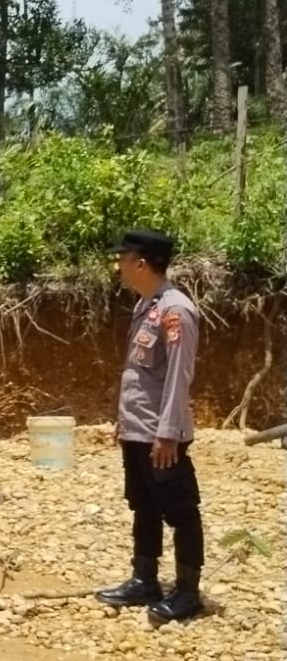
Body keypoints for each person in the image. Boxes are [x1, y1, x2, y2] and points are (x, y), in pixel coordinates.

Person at [95, 229, 204, 623]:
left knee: (181, 510)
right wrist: (124, 422)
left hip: (161, 434)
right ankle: (145, 579)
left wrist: (168, 431)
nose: (119, 266)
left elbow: (179, 375)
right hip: (138, 429)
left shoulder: (176, 310)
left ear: (140, 263)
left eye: (122, 259)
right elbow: (140, 376)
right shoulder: (147, 306)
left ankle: (188, 592)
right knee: (143, 505)